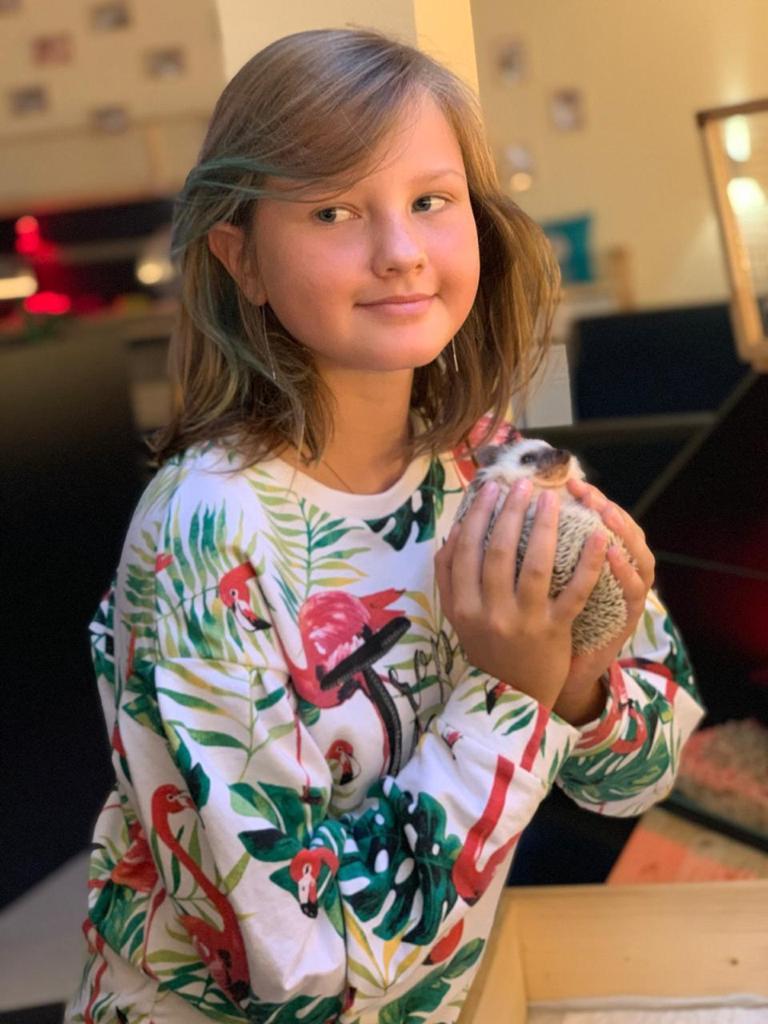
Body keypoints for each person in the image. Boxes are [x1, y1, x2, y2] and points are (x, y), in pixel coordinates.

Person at [65, 27, 705, 1024]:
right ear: (242, 257)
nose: (400, 252)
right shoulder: (205, 533)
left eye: (431, 201)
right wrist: (512, 690)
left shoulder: (508, 472)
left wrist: (580, 677)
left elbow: (644, 771)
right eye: (333, 210)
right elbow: (300, 972)